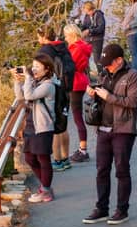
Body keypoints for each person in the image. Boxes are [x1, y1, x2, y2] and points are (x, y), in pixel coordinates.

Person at [82, 43, 137, 224]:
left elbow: (133, 101)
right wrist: (92, 94)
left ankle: (122, 210)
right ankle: (101, 209)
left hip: (123, 129)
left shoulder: (133, 76)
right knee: (101, 170)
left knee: (122, 170)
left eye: (109, 63)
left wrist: (109, 97)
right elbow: (100, 100)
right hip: (103, 129)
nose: (106, 66)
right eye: (104, 63)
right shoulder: (104, 75)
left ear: (119, 60)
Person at [12, 53, 58, 202]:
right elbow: (21, 98)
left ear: (47, 70)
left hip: (43, 127)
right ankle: (45, 187)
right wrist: (17, 81)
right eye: (33, 66)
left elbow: (30, 96)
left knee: (43, 159)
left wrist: (28, 78)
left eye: (38, 66)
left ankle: (45, 190)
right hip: (31, 126)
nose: (34, 69)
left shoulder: (48, 86)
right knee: (30, 158)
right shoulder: (36, 82)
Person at [37, 27, 74, 171]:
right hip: (65, 89)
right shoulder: (62, 47)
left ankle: (57, 160)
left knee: (54, 127)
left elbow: (39, 71)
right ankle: (65, 158)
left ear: (43, 37)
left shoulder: (44, 51)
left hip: (53, 90)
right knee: (62, 124)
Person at [63, 23, 93, 162]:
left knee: (77, 117)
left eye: (67, 35)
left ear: (73, 35)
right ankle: (82, 148)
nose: (66, 38)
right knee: (77, 116)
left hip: (74, 82)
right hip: (80, 80)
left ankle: (83, 149)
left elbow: (69, 66)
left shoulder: (75, 48)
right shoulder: (83, 47)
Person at [77, 1, 105, 75]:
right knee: (84, 58)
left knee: (97, 59)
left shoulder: (99, 15)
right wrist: (79, 28)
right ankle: (86, 76)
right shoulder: (87, 16)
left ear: (91, 9)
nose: (87, 13)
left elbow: (101, 28)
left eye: (88, 11)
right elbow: (85, 26)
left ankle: (101, 75)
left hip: (97, 39)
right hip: (88, 39)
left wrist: (90, 31)